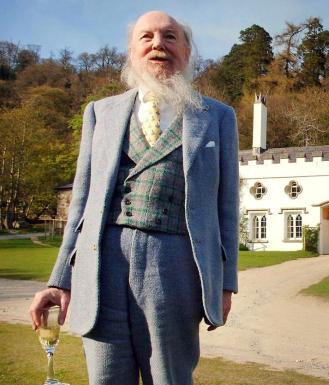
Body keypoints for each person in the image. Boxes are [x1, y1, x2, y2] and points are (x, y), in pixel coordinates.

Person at [28, 10, 239, 385]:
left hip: (177, 266)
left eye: (170, 37)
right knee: (106, 377)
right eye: (147, 37)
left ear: (188, 51)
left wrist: (225, 283)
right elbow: (81, 204)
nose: (158, 44)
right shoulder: (100, 112)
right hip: (101, 266)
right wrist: (59, 279)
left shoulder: (218, 118)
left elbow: (226, 208)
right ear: (131, 50)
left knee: (169, 377)